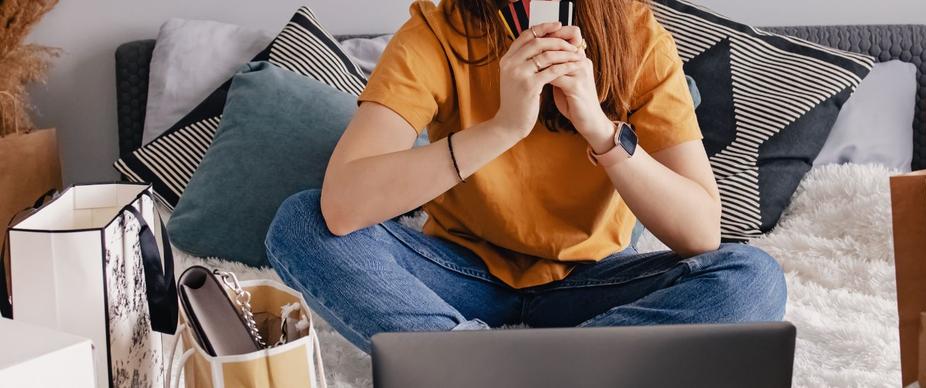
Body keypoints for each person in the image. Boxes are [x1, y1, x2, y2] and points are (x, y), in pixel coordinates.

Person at [266, 0, 786, 352]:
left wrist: (598, 126)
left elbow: (701, 232)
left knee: (752, 277)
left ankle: (494, 372)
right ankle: (493, 365)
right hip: (458, 273)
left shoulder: (638, 37)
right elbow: (342, 204)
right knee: (301, 222)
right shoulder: (437, 29)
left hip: (592, 277)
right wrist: (503, 127)